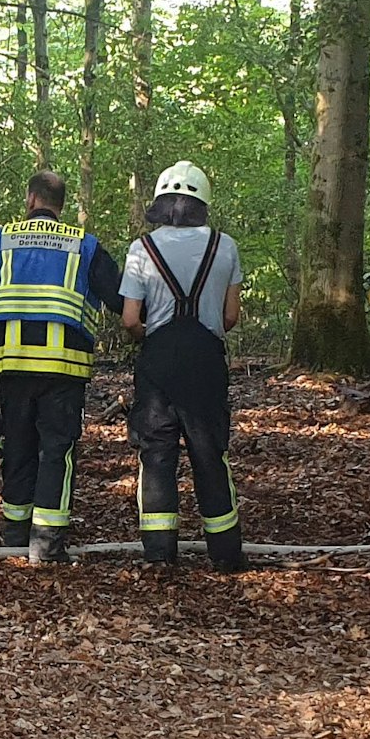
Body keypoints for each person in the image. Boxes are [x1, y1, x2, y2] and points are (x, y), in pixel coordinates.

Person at [0, 169, 123, 563]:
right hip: (64, 370)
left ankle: (15, 534)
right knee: (57, 451)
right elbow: (120, 298)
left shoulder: (2, 240)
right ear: (61, 205)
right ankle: (46, 545)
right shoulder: (84, 245)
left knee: (17, 446)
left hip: (14, 366)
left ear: (31, 199)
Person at [120, 161, 247, 569]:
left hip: (158, 363)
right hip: (206, 362)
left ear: (161, 203)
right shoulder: (225, 246)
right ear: (203, 204)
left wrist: (150, 334)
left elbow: (130, 319)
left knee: (157, 454)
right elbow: (230, 317)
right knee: (210, 453)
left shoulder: (142, 249)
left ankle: (159, 553)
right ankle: (225, 554)